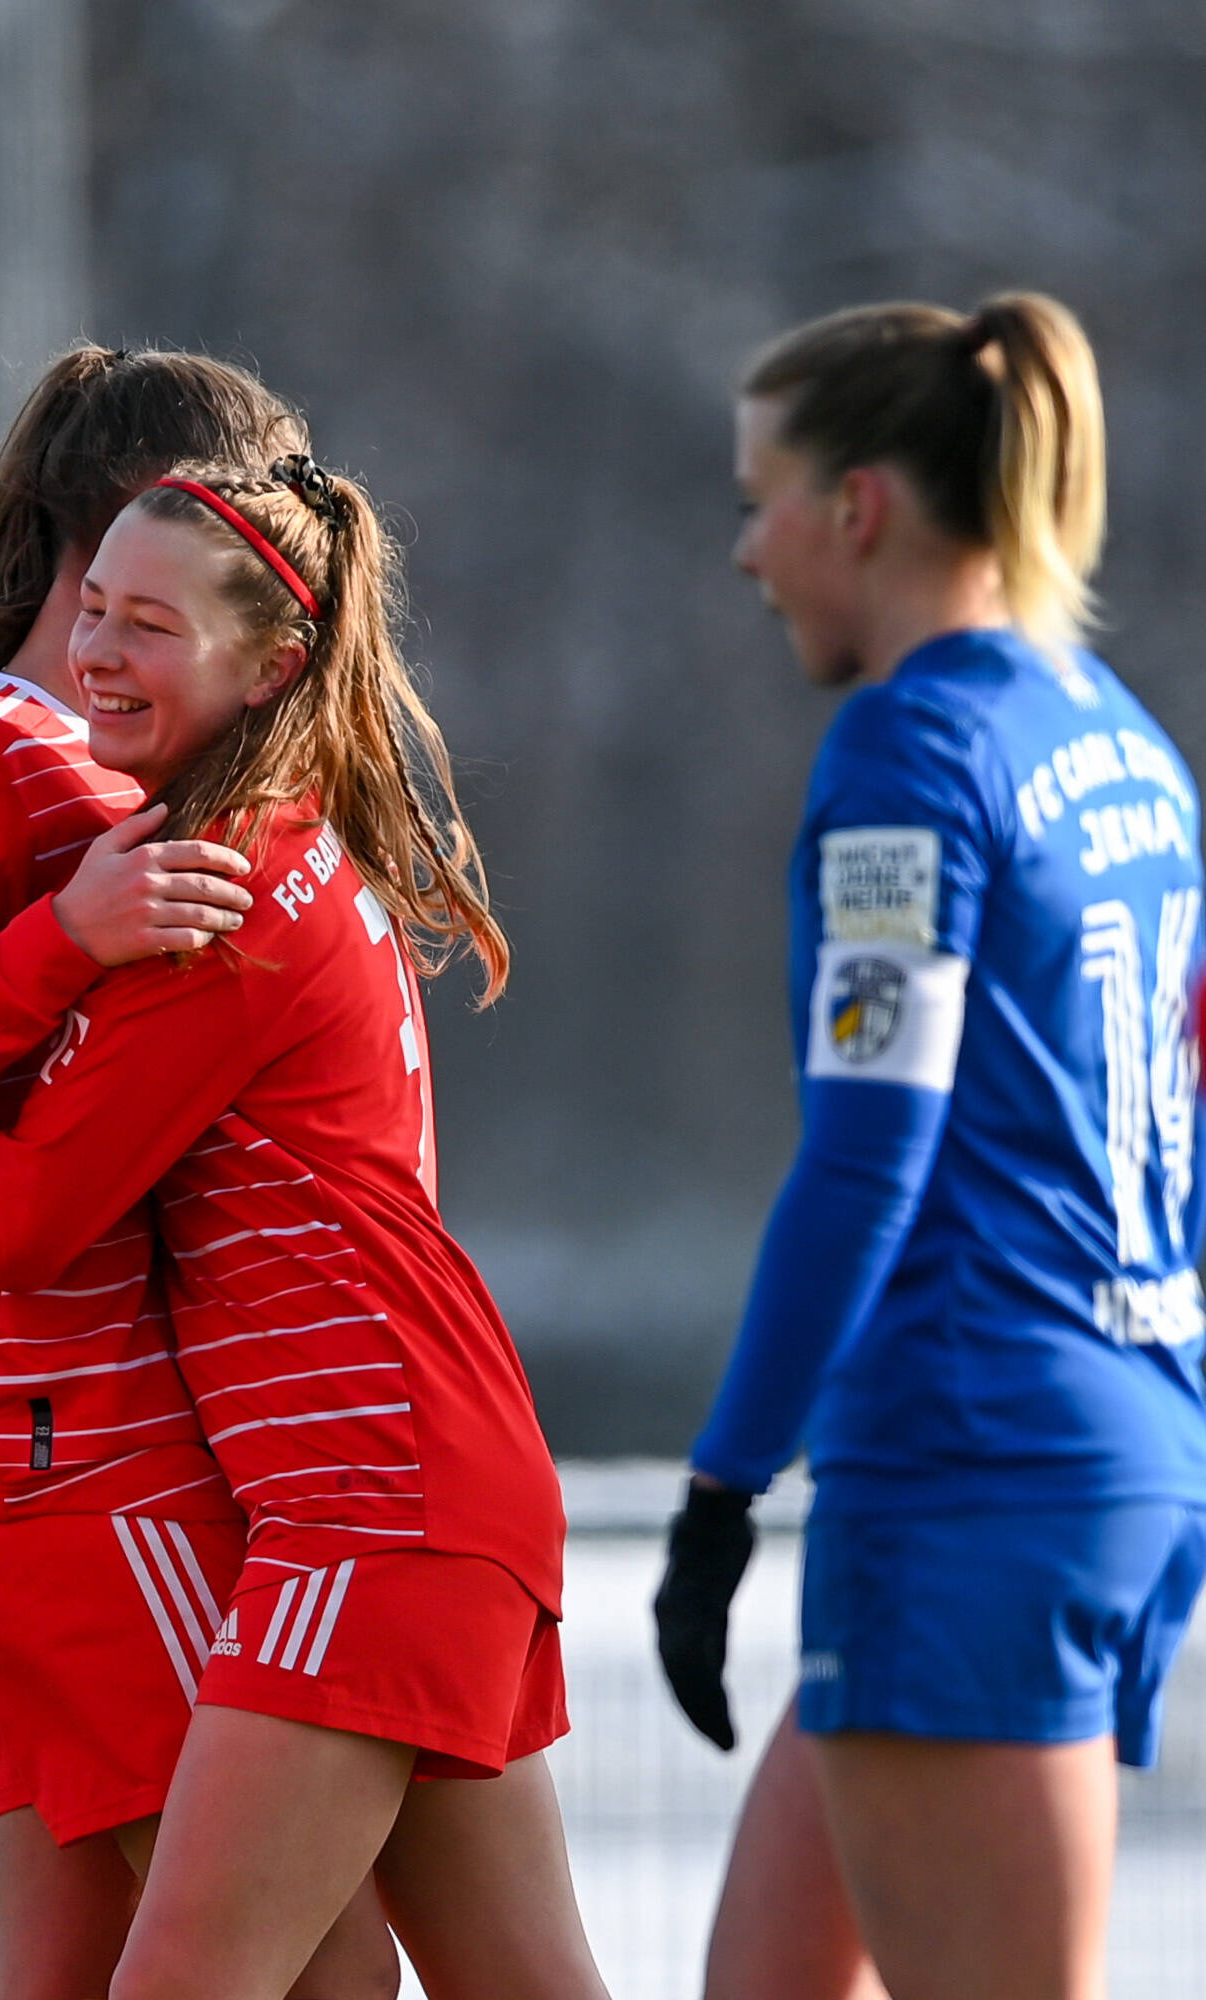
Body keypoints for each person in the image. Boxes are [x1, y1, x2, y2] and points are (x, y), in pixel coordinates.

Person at [0, 455, 606, 2000]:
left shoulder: (221, 890)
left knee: (189, 1979)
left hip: (371, 1498)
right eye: (95, 610)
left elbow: (17, 1217)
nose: (99, 656)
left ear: (274, 664)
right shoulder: (286, 838)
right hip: (433, 1479)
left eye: (153, 628)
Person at [0, 348, 393, 2000]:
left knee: (71, 1964)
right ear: (129, 519)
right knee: (312, 1971)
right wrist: (63, 937)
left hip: (77, 1446)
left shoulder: (127, 764)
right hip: (70, 1449)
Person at [656, 294, 1206, 2000]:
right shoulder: (1116, 736)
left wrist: (724, 1485)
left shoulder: (913, 750)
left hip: (977, 1464)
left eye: (762, 497)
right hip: (1116, 1434)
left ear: (861, 507)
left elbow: (867, 1158)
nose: (748, 550)